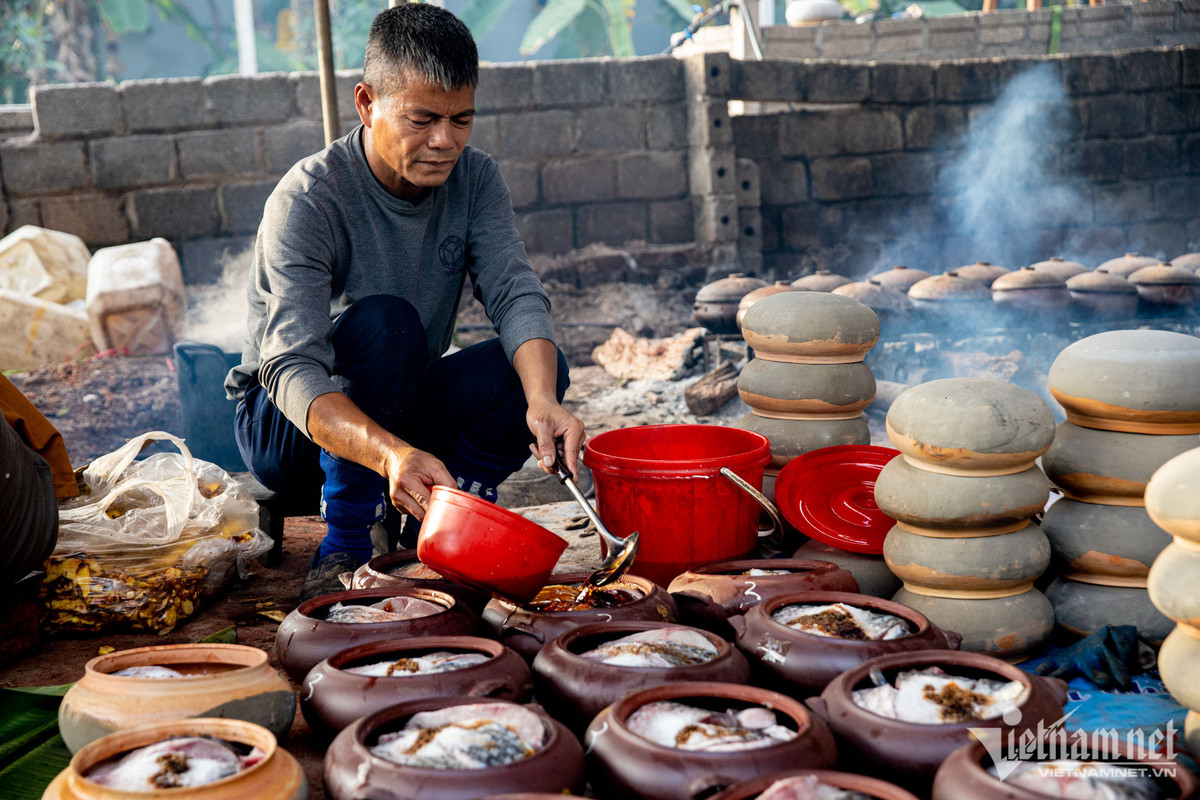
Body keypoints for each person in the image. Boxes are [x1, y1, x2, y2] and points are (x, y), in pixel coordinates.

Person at [225, 3, 585, 599]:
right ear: (367, 105)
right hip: (285, 428)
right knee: (387, 323)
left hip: (396, 406)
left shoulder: (477, 180)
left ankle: (446, 518)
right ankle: (347, 539)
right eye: (422, 120)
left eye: (461, 120)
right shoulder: (309, 199)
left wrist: (543, 400)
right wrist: (390, 454)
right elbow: (290, 368)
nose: (445, 141)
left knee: (533, 370)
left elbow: (515, 291)